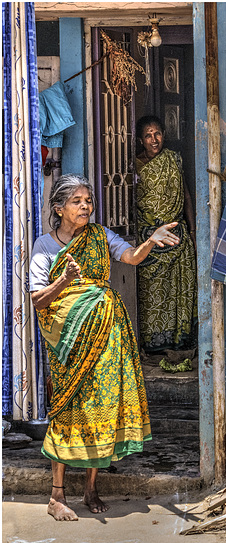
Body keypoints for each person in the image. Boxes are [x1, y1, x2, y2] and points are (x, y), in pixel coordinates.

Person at [29, 174, 180, 521]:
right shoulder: (45, 246)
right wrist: (65, 281)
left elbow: (129, 257)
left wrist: (150, 241)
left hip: (107, 335)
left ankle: (91, 488)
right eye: (77, 201)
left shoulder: (100, 236)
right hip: (68, 343)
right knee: (68, 410)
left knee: (101, 406)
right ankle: (57, 495)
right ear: (59, 208)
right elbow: (37, 299)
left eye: (88, 200)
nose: (85, 206)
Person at [135, 115, 198, 353]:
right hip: (150, 239)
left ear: (164, 134)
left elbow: (187, 196)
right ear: (141, 140)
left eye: (157, 133)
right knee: (153, 294)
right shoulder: (135, 166)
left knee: (179, 292)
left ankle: (179, 342)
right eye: (148, 135)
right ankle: (153, 345)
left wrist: (192, 230)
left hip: (178, 237)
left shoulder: (173, 160)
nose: (154, 139)